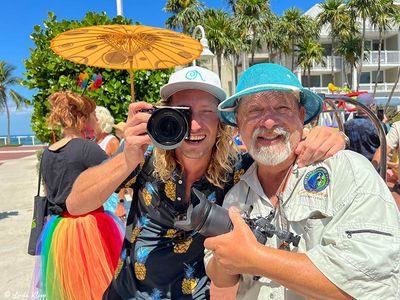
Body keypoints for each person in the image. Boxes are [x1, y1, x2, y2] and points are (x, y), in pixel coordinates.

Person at [67, 66, 347, 299]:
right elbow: (76, 203)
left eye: (206, 112)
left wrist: (329, 137)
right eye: (184, 112)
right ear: (165, 114)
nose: (195, 125)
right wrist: (126, 157)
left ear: (224, 122)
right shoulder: (143, 157)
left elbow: (282, 149)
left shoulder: (240, 171)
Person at [204, 63, 400, 299]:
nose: (268, 122)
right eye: (254, 111)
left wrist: (255, 257)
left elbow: (371, 281)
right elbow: (222, 277)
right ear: (238, 122)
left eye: (281, 107)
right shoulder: (236, 194)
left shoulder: (348, 171)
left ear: (301, 116)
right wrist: (225, 257)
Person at [34, 92, 124, 299]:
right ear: (83, 118)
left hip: (59, 229)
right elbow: (118, 175)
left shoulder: (49, 152)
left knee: (71, 289)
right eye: (93, 115)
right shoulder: (87, 149)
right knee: (100, 287)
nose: (96, 119)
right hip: (89, 226)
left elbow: (50, 193)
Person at [344, 93, 386, 161]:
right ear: (372, 106)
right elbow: (384, 148)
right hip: (373, 167)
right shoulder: (379, 126)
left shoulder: (346, 125)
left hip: (353, 166)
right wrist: (383, 124)